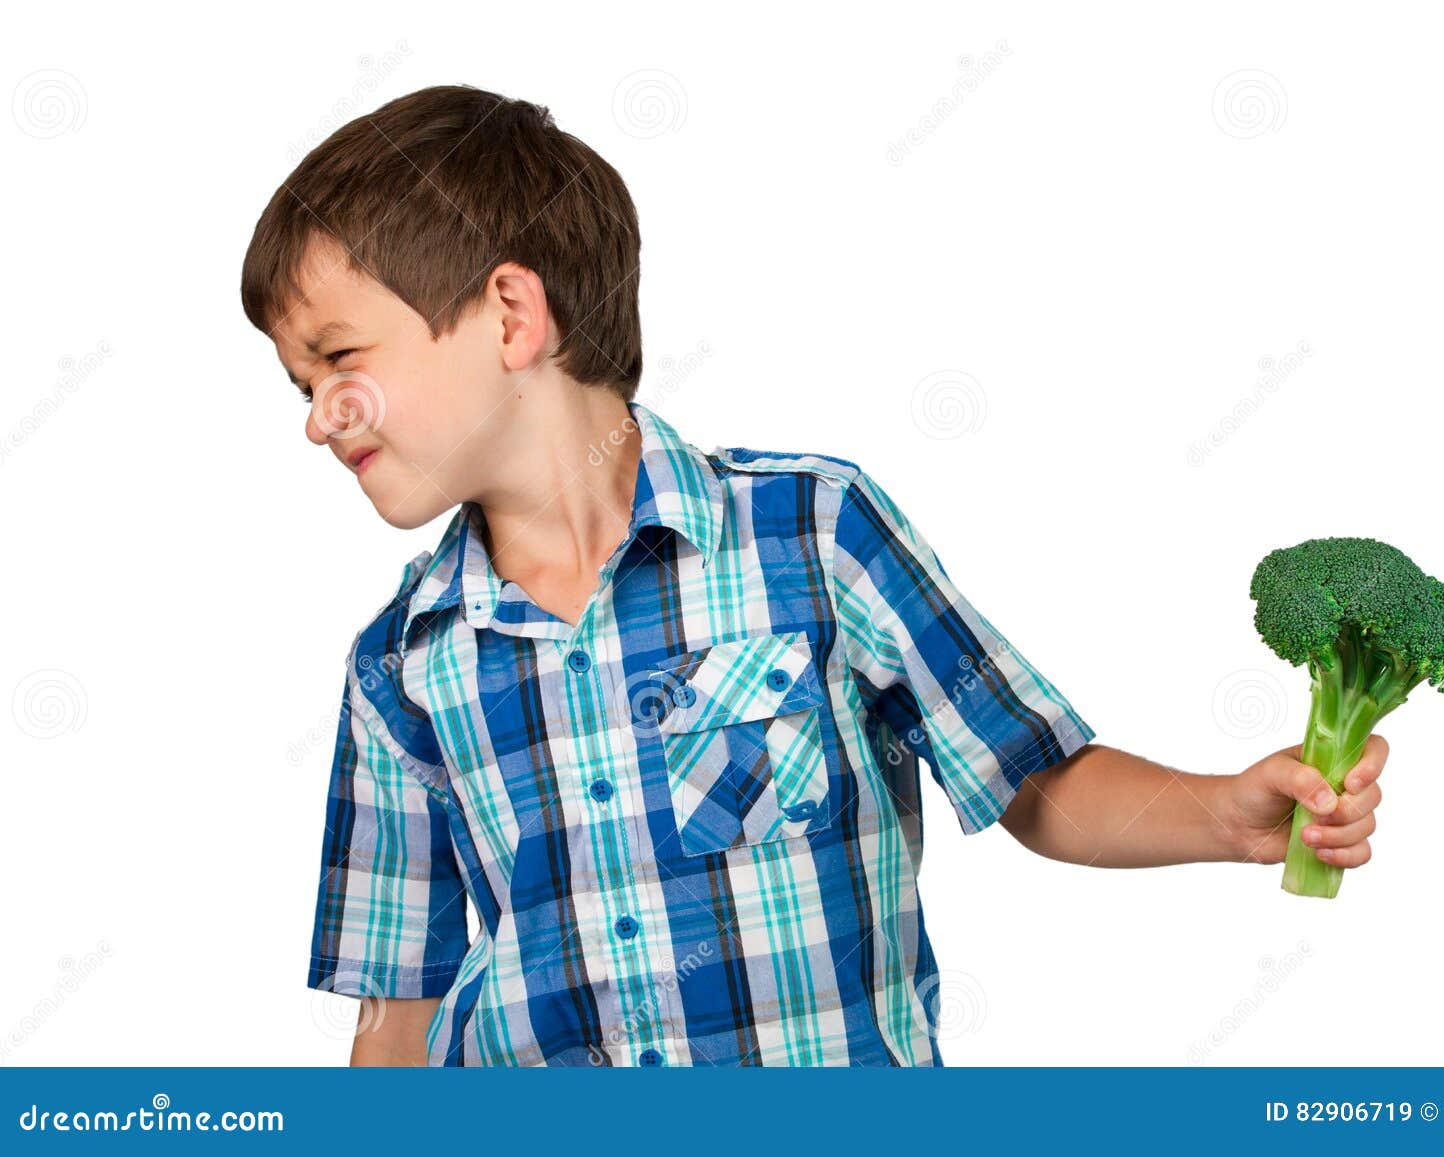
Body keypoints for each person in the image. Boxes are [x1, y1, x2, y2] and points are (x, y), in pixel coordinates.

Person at [240, 84, 1385, 1067]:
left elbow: (1030, 776)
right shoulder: (400, 665)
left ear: (509, 313)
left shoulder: (812, 531)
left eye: (339, 358)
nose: (318, 417)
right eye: (301, 386)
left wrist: (1223, 815)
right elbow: (403, 1001)